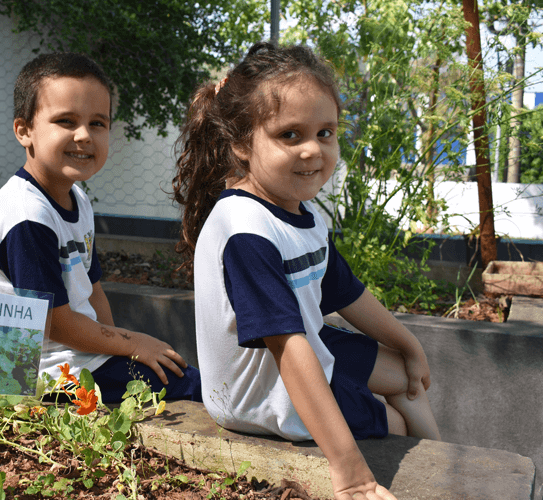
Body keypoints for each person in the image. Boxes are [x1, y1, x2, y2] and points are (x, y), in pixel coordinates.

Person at [172, 42, 441, 500]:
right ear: (240, 143)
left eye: (326, 132)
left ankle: (446, 463)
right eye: (290, 135)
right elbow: (287, 346)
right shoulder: (245, 230)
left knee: (406, 378)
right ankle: (438, 475)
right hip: (257, 393)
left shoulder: (302, 213)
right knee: (395, 421)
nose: (313, 150)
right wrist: (350, 471)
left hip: (300, 353)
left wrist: (408, 343)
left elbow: (346, 293)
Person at [0, 52, 201, 403]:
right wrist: (133, 343)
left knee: (179, 374)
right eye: (65, 121)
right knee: (190, 386)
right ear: (24, 131)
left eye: (98, 123)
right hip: (39, 376)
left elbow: (93, 290)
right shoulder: (26, 217)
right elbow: (55, 324)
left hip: (78, 359)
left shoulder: (77, 198)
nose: (84, 135)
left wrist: (120, 346)